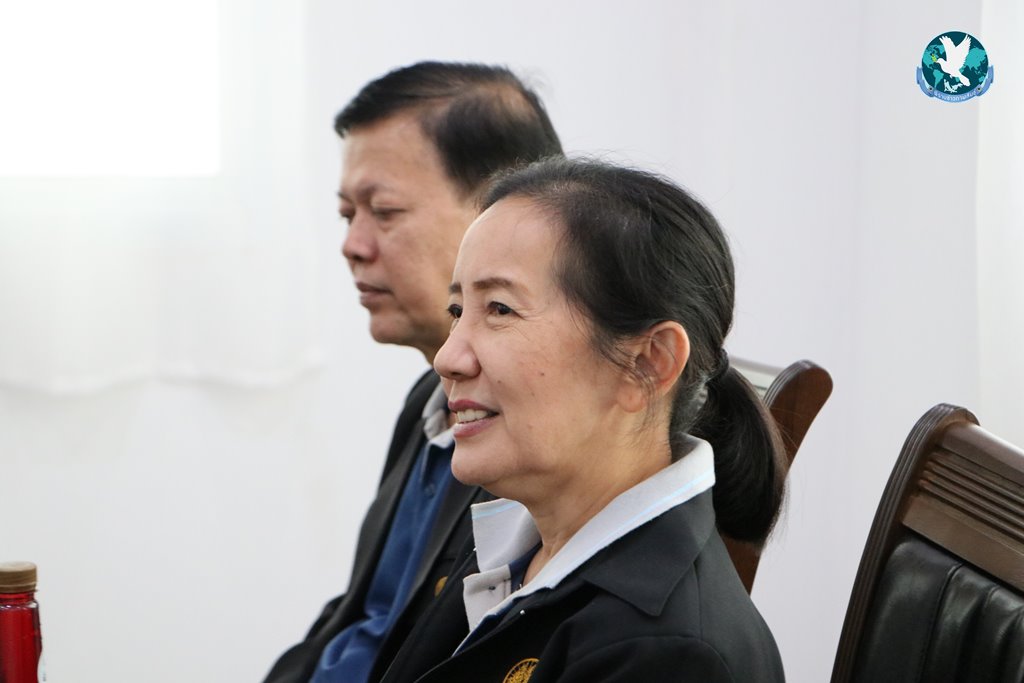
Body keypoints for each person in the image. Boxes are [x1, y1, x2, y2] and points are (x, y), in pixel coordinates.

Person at [378, 158, 787, 683]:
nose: (448, 358)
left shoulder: (667, 657)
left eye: (500, 309)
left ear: (648, 364)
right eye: (458, 311)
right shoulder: (511, 549)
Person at [261, 62, 563, 683]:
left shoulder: (540, 441)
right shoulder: (427, 402)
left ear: (500, 214)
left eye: (384, 211)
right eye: (347, 214)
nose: (353, 244)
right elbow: (360, 618)